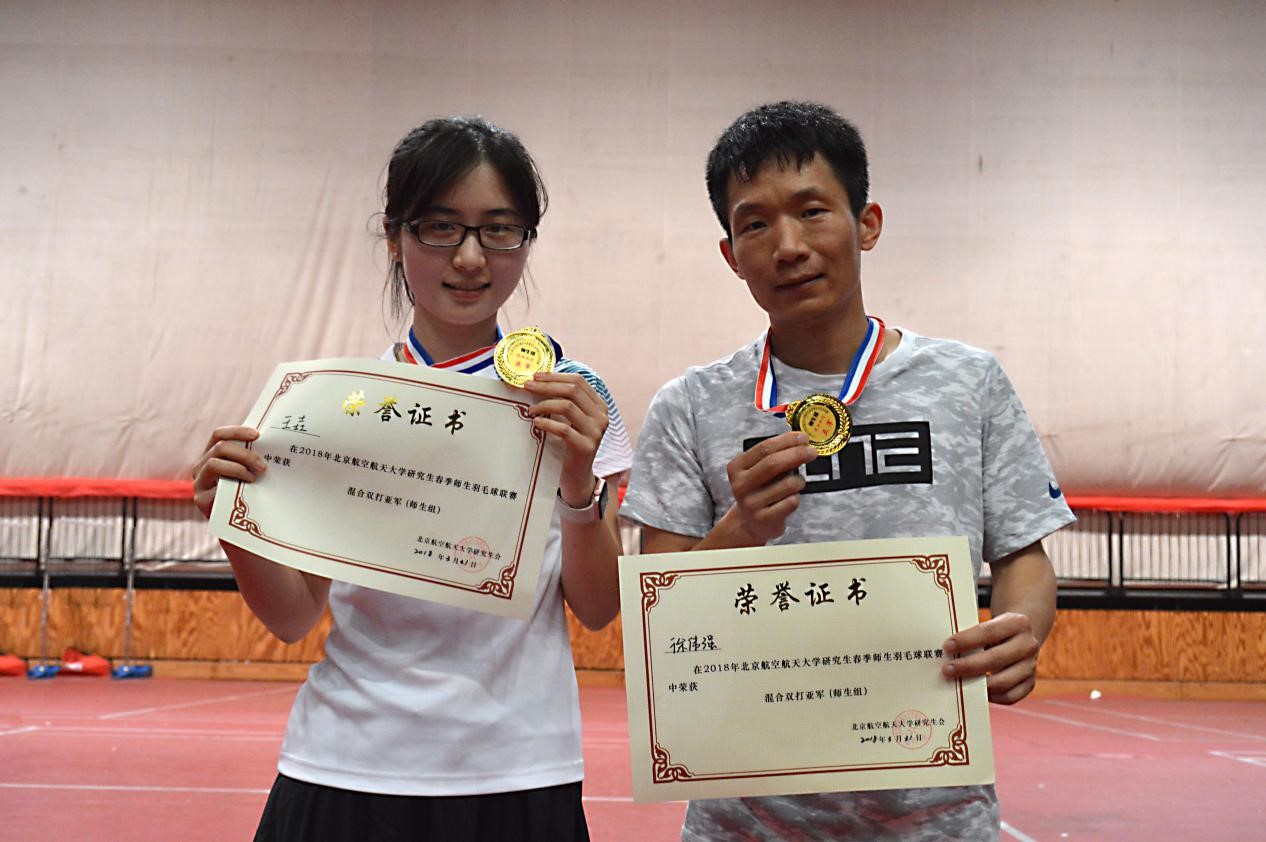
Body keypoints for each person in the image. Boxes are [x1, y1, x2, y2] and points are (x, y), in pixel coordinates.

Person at [619, 100, 1076, 840]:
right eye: (755, 224)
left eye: (812, 212)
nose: (788, 246)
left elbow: (1023, 554)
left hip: (938, 815)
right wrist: (740, 530)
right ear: (731, 254)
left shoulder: (969, 383)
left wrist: (1021, 630)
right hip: (746, 820)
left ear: (867, 223)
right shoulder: (691, 406)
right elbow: (656, 618)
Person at [191, 115, 631, 842]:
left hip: (517, 767)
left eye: (499, 229)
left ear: (526, 240)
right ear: (396, 237)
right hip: (345, 762)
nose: (470, 258)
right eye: (440, 227)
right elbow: (294, 618)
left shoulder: (572, 397)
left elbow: (597, 608)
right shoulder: (337, 404)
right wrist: (234, 527)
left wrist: (579, 484)